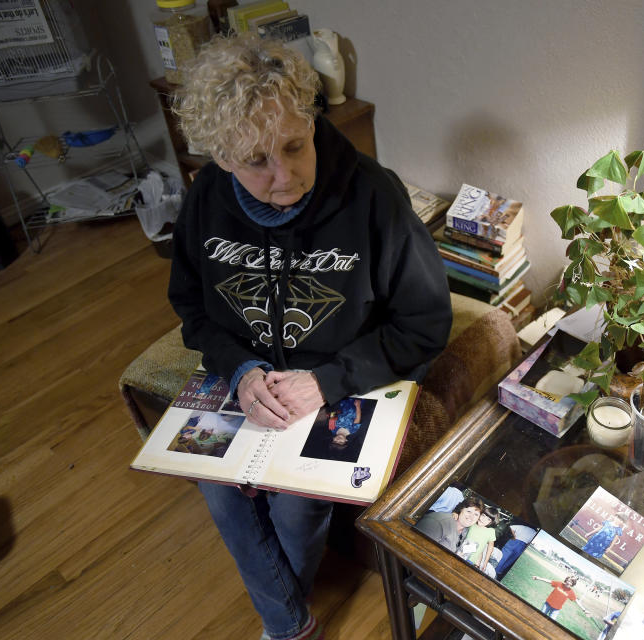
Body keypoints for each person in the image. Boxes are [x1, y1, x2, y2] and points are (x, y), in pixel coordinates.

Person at [168, 32, 452, 640]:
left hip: (339, 382)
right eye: (255, 162)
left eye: (295, 146)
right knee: (218, 489)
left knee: (296, 506)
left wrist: (327, 381)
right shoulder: (204, 201)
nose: (284, 175)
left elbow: (426, 325)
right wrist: (237, 368)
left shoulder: (376, 196)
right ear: (219, 159)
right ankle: (293, 625)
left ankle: (285, 628)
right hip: (243, 379)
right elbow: (190, 304)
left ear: (311, 118)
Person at [415, 496, 484, 554]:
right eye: (469, 511)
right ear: (460, 509)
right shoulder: (438, 522)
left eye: (476, 514)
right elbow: (416, 549)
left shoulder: (466, 531)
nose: (471, 517)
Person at [462, 506, 498, 572]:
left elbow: (490, 547)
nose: (484, 519)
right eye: (483, 515)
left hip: (472, 560)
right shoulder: (472, 523)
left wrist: (485, 562)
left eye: (488, 519)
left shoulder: (490, 531)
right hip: (460, 553)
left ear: (491, 522)